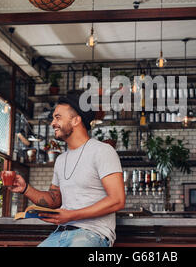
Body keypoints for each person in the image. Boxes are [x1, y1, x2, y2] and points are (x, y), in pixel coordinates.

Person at [9, 90, 125, 247]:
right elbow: (54, 199)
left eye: (58, 117)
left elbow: (117, 200)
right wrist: (25, 189)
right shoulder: (61, 160)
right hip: (60, 233)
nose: (52, 123)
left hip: (92, 234)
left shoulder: (102, 151)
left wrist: (72, 215)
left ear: (76, 120)